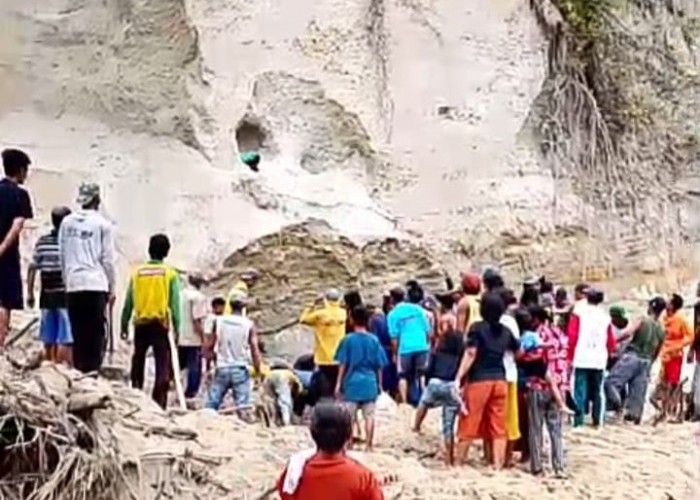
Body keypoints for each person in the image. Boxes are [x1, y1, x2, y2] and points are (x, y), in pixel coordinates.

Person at [454, 292, 520, 469]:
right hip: (500, 380)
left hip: (479, 380)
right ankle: (497, 465)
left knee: (469, 421)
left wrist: (458, 377)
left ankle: (459, 462)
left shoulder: (477, 328)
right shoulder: (506, 331)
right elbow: (517, 351)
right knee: (499, 426)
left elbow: (471, 353)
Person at [59, 183, 116, 373]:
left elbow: (63, 255)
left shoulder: (66, 223)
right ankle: (92, 372)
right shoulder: (103, 225)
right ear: (97, 200)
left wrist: (67, 281)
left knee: (78, 332)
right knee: (95, 332)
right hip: (96, 283)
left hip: (74, 284)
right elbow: (107, 260)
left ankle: (79, 370)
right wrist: (112, 287)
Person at [120, 234, 181, 409]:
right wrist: (178, 328)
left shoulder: (138, 273)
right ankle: (159, 402)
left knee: (138, 359)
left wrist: (123, 324)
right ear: (167, 252)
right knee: (162, 363)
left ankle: (136, 394)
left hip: (140, 324)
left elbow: (129, 301)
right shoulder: (169, 274)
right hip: (160, 325)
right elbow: (175, 304)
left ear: (149, 250)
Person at [276, 402, 384, 500]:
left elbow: (285, 493)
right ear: (349, 435)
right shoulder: (363, 478)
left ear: (313, 432)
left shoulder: (295, 471)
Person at [521, 306, 570, 477]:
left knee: (535, 428)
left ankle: (537, 466)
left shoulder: (536, 336)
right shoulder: (562, 336)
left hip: (538, 385)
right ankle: (559, 467)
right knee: (556, 429)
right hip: (560, 384)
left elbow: (529, 357)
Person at [413, 307, 465, 465]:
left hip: (436, 382)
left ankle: (416, 425)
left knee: (423, 404)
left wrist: (425, 378)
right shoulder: (460, 357)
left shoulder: (437, 352)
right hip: (451, 386)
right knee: (448, 425)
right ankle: (449, 459)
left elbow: (428, 369)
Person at [605, 297, 666, 424]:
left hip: (632, 356)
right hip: (647, 360)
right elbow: (658, 350)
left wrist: (614, 340)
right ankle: (633, 418)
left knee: (611, 383)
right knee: (638, 394)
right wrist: (651, 363)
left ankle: (617, 406)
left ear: (650, 307)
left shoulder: (642, 319)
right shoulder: (662, 329)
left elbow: (628, 333)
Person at [334, 305, 388, 451]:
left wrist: (338, 383)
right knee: (369, 416)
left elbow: (343, 364)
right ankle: (369, 445)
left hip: (352, 382)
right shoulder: (374, 341)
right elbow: (380, 365)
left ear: (352, 319)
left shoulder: (347, 340)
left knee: (349, 417)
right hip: (370, 382)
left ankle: (349, 443)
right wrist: (379, 384)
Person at [27, 207, 73, 364]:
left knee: (49, 333)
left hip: (46, 293)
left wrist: (30, 293)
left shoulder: (42, 242)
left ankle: (49, 363)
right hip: (64, 293)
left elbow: (32, 268)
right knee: (65, 335)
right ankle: (61, 366)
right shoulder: (70, 244)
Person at [567, 288, 616, 427]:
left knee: (579, 390)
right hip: (599, 358)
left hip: (581, 357)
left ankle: (578, 421)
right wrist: (610, 351)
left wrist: (569, 356)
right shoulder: (605, 317)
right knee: (598, 391)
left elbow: (572, 336)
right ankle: (597, 421)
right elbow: (610, 340)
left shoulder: (578, 313)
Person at [205, 295, 262, 414]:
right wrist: (258, 370)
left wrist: (208, 366)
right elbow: (254, 349)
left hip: (222, 367)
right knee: (243, 406)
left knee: (211, 404)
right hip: (240, 368)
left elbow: (210, 345)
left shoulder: (219, 321)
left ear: (229, 305)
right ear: (243, 307)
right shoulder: (249, 324)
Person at [0, 149, 34, 349]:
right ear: (20, 170)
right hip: (7, 256)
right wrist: (3, 248)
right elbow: (17, 225)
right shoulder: (20, 195)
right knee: (4, 301)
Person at [300, 288, 347, 403]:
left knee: (325, 385)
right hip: (340, 356)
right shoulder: (343, 313)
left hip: (324, 357)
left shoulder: (320, 315)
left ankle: (325, 405)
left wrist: (312, 305)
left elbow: (303, 319)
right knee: (339, 383)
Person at [387, 285, 431, 404]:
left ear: (391, 299)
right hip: (422, 345)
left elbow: (394, 338)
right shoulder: (417, 310)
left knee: (402, 375)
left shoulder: (393, 315)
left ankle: (405, 402)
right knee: (421, 374)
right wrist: (427, 345)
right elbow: (427, 330)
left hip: (405, 348)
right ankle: (424, 399)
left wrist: (395, 354)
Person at [654, 294, 692, 417]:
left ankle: (671, 410)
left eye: (669, 301)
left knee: (672, 383)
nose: (666, 303)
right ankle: (663, 409)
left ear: (673, 305)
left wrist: (678, 345)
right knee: (663, 382)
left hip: (675, 355)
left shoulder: (680, 319)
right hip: (664, 355)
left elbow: (690, 337)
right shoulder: (663, 317)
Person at [178, 274, 209, 400]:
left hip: (180, 337)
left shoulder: (180, 295)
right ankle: (190, 394)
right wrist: (203, 338)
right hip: (193, 339)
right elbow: (197, 320)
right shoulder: (198, 297)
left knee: (179, 365)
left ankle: (175, 389)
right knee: (194, 367)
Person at [368, 298, 398, 396]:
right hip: (391, 348)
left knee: (383, 374)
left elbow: (375, 338)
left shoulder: (375, 321)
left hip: (382, 349)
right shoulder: (387, 318)